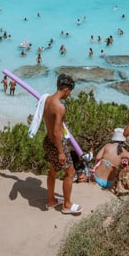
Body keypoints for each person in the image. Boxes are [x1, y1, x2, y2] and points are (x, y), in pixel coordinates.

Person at [43, 74, 81, 214]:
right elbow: (56, 131)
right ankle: (67, 205)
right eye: (69, 92)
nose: (69, 95)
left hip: (47, 141)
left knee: (52, 170)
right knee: (70, 173)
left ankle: (51, 200)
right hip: (56, 143)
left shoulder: (47, 100)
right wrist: (60, 151)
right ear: (66, 90)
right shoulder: (59, 106)